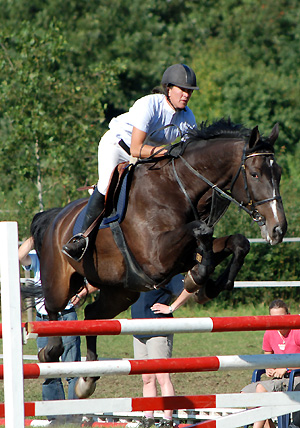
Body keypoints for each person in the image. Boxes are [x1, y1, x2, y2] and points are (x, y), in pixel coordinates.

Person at [62, 63, 199, 261]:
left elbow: (189, 154)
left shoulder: (187, 117)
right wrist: (169, 151)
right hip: (118, 148)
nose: (186, 95)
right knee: (106, 185)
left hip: (148, 157)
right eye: (182, 90)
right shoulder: (150, 105)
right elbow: (136, 149)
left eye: (189, 91)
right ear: (169, 89)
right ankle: (81, 238)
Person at [19, 237, 95, 425]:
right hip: (43, 319)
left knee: (71, 368)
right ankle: (55, 416)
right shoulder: (38, 256)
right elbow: (19, 256)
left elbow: (95, 280)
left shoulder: (70, 255)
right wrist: (36, 235)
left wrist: (82, 293)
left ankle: (73, 415)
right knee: (48, 371)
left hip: (66, 315)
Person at [130, 274, 192, 428]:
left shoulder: (166, 271)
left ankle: (167, 419)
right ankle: (148, 416)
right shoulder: (137, 270)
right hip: (138, 331)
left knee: (162, 376)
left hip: (159, 330)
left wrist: (171, 308)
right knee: (146, 378)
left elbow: (189, 289)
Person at [241, 299, 300, 428]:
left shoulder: (297, 331)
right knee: (245, 395)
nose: (278, 322)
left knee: (260, 390)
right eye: (274, 318)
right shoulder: (269, 333)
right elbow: (268, 359)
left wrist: (287, 368)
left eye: (281, 317)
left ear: (289, 316)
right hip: (277, 379)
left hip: (296, 378)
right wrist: (269, 368)